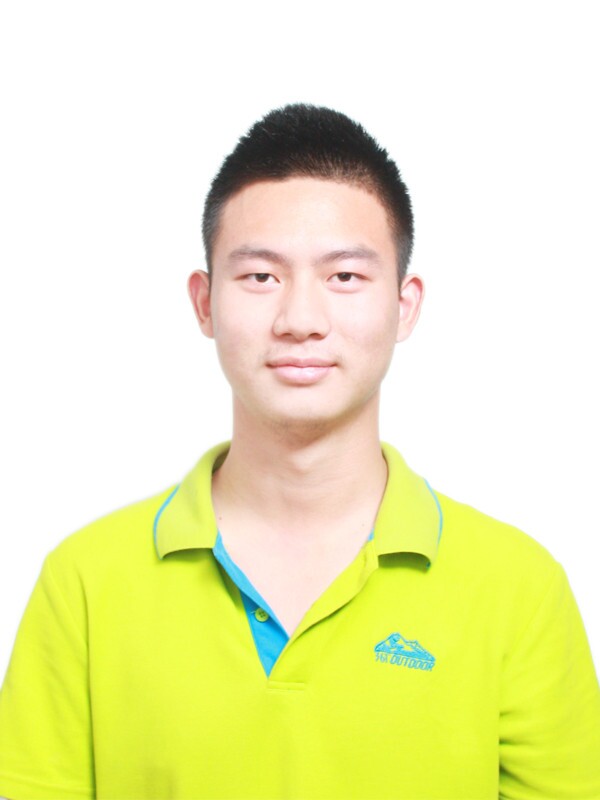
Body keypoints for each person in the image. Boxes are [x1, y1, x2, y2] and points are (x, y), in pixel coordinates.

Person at [0, 103, 598, 800]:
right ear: (205, 302)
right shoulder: (83, 583)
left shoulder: (520, 589)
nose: (301, 320)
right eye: (261, 277)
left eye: (345, 277)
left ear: (404, 306)